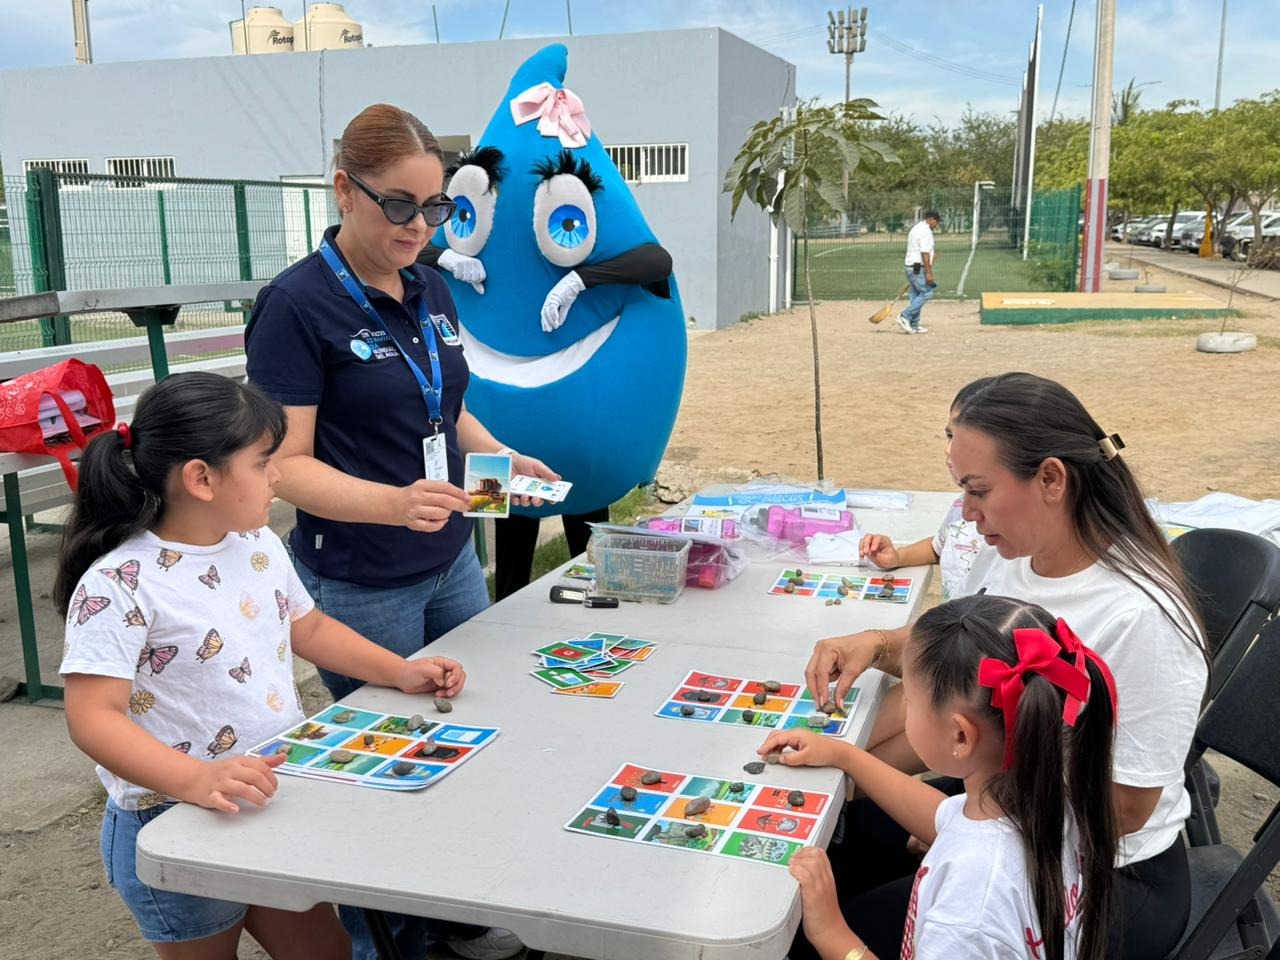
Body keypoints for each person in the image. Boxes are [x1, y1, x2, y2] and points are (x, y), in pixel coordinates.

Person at [244, 103, 545, 960]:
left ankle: (454, 912)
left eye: (437, 207)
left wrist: (503, 457)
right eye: (400, 206)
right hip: (360, 578)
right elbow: (281, 466)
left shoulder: (431, 284)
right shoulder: (296, 306)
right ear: (344, 189)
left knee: (471, 739)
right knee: (395, 767)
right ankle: (392, 941)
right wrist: (391, 502)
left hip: (447, 558)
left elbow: (446, 410)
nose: (421, 227)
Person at [55, 373, 467, 960]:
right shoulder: (121, 583)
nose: (278, 475)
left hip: (263, 799)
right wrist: (195, 779)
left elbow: (309, 626)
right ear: (201, 478)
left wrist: (398, 670)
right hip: (173, 820)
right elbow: (93, 718)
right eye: (263, 461)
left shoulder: (255, 541)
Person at [805, 372, 1208, 959]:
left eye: (979, 490)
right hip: (1005, 803)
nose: (966, 515)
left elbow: (1125, 808)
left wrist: (979, 832)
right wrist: (880, 645)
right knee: (841, 842)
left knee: (843, 925)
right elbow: (968, 666)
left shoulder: (1144, 617)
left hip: (1096, 868)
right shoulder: (1021, 555)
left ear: (1050, 477)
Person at [773, 594, 1117, 960]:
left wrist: (832, 934)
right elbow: (945, 818)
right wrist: (845, 755)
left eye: (909, 699)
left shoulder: (969, 909)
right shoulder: (1049, 792)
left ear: (960, 736)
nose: (905, 707)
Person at [858, 378, 993, 602]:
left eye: (964, 439)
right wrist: (897, 557)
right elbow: (940, 546)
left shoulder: (1013, 531)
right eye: (950, 435)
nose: (948, 449)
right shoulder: (962, 504)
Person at [897, 210, 939, 335]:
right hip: (917, 267)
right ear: (931, 219)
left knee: (916, 295)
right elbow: (924, 252)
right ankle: (905, 316)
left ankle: (914, 324)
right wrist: (929, 272)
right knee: (927, 293)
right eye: (936, 222)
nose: (936, 225)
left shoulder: (916, 228)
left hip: (912, 266)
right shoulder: (926, 231)